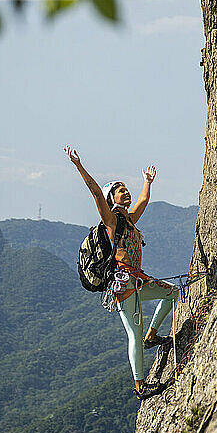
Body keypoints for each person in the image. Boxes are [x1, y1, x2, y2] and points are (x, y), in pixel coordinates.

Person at [64, 146, 179, 400]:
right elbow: (95, 193)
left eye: (126, 189)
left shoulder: (128, 220)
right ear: (111, 199)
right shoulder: (111, 221)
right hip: (124, 287)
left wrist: (147, 182)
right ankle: (140, 386)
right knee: (133, 335)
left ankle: (153, 334)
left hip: (137, 281)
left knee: (172, 293)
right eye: (120, 190)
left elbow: (143, 201)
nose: (126, 191)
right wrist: (79, 166)